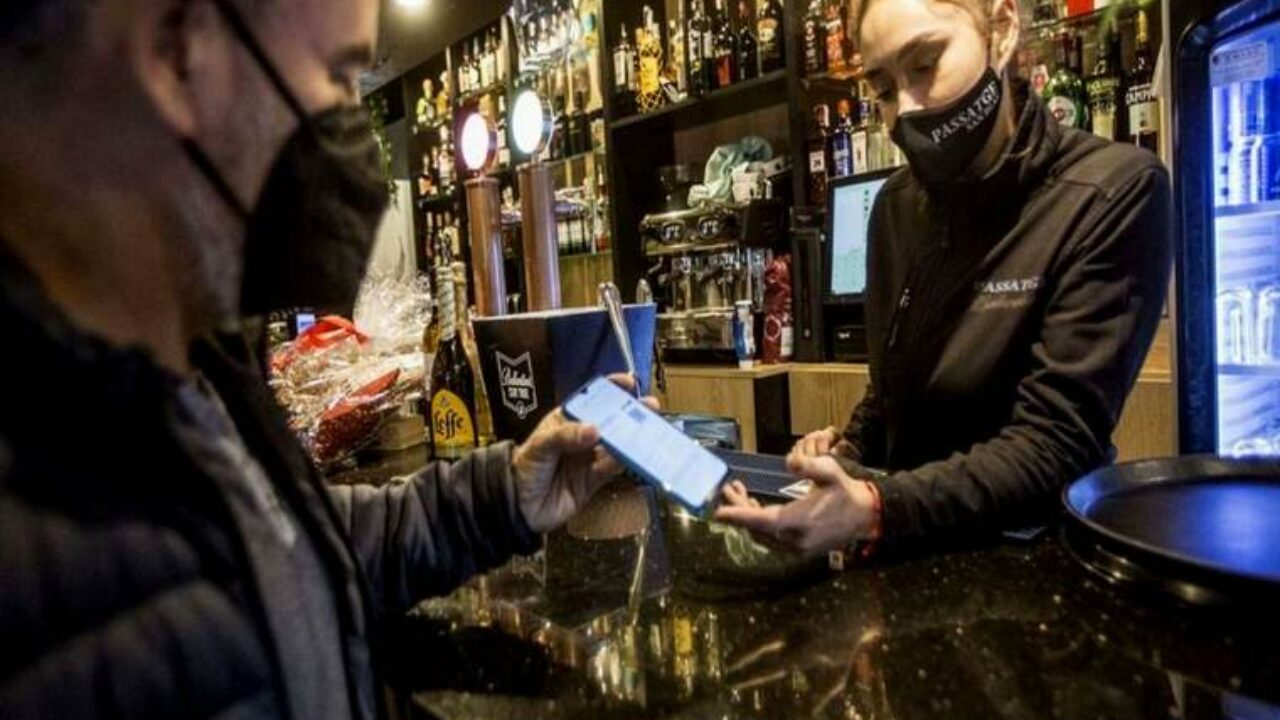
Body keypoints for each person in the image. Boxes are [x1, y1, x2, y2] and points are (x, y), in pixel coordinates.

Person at [0, 1, 654, 719]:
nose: (357, 144)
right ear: (179, 51)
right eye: (340, 78)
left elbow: (288, 547)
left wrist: (502, 495)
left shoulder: (184, 374)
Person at [716, 0, 1172, 558]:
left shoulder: (1111, 191)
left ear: (1001, 29)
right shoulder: (895, 208)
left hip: (1033, 564)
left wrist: (875, 507)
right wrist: (847, 452)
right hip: (906, 550)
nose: (906, 109)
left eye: (925, 65)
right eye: (884, 89)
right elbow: (893, 393)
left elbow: (1055, 443)